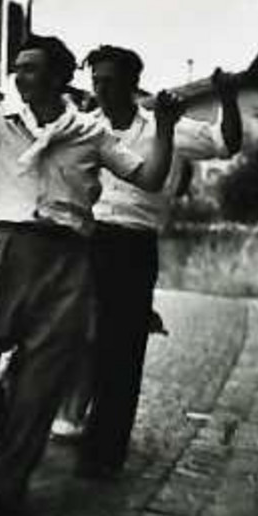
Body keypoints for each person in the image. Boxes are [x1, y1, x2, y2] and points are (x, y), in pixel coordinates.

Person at [0, 24, 181, 516]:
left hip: (68, 258)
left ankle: (8, 485)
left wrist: (166, 129)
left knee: (41, 381)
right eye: (18, 68)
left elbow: (149, 178)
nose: (21, 76)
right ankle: (10, 440)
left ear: (60, 78)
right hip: (6, 250)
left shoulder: (92, 134)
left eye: (32, 69)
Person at [68, 50, 242, 478]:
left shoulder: (168, 128)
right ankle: (69, 420)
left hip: (132, 244)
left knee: (122, 350)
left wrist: (228, 96)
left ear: (130, 84)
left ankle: (105, 452)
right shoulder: (89, 128)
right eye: (96, 81)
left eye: (108, 81)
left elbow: (227, 143)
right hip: (85, 239)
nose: (100, 89)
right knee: (71, 337)